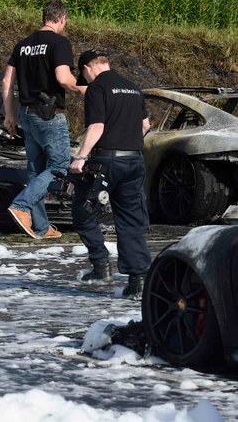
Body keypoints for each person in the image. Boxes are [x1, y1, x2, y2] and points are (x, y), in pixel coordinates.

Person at [69, 49, 152, 299]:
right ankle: (137, 283)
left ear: (86, 69)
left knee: (83, 212)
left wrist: (81, 157)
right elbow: (145, 126)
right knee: (131, 221)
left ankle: (101, 265)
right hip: (135, 161)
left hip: (106, 163)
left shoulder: (97, 88)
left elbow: (96, 126)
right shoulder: (133, 88)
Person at [2, 0, 83, 239]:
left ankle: (40, 227)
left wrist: (9, 114)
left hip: (26, 115)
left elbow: (7, 81)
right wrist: (86, 88)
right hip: (50, 116)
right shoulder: (59, 43)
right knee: (58, 168)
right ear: (61, 19)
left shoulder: (22, 45)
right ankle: (21, 205)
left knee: (35, 171)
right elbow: (63, 79)